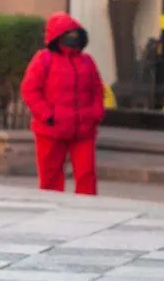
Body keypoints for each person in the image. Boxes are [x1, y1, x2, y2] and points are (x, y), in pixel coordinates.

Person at [20, 12, 105, 196]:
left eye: (76, 34)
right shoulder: (43, 60)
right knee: (50, 177)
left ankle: (87, 212)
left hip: (83, 129)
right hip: (51, 129)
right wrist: (48, 115)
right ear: (57, 37)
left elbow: (97, 90)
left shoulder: (87, 62)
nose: (73, 38)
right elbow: (29, 90)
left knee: (86, 176)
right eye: (69, 34)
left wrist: (95, 114)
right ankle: (52, 213)